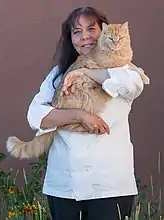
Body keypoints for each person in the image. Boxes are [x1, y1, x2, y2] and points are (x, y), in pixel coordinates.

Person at [26, 6, 144, 220]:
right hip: (65, 185)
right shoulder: (59, 74)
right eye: (77, 31)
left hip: (110, 187)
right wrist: (80, 115)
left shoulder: (125, 70)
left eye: (92, 29)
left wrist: (84, 71)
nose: (85, 37)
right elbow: (35, 116)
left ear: (104, 32)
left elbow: (131, 86)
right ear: (70, 38)